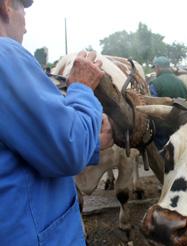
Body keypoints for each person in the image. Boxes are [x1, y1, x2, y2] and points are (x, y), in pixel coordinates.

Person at [0, 0, 113, 245]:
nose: (26, 28)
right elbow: (68, 149)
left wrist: (92, 142)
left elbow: (27, 142)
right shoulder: (4, 56)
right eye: (24, 10)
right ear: (7, 6)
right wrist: (82, 89)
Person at [149, 56, 187, 150]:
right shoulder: (181, 82)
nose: (155, 70)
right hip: (181, 123)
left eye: (155, 68)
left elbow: (153, 106)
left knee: (162, 152)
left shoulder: (154, 83)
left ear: (158, 67)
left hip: (162, 127)